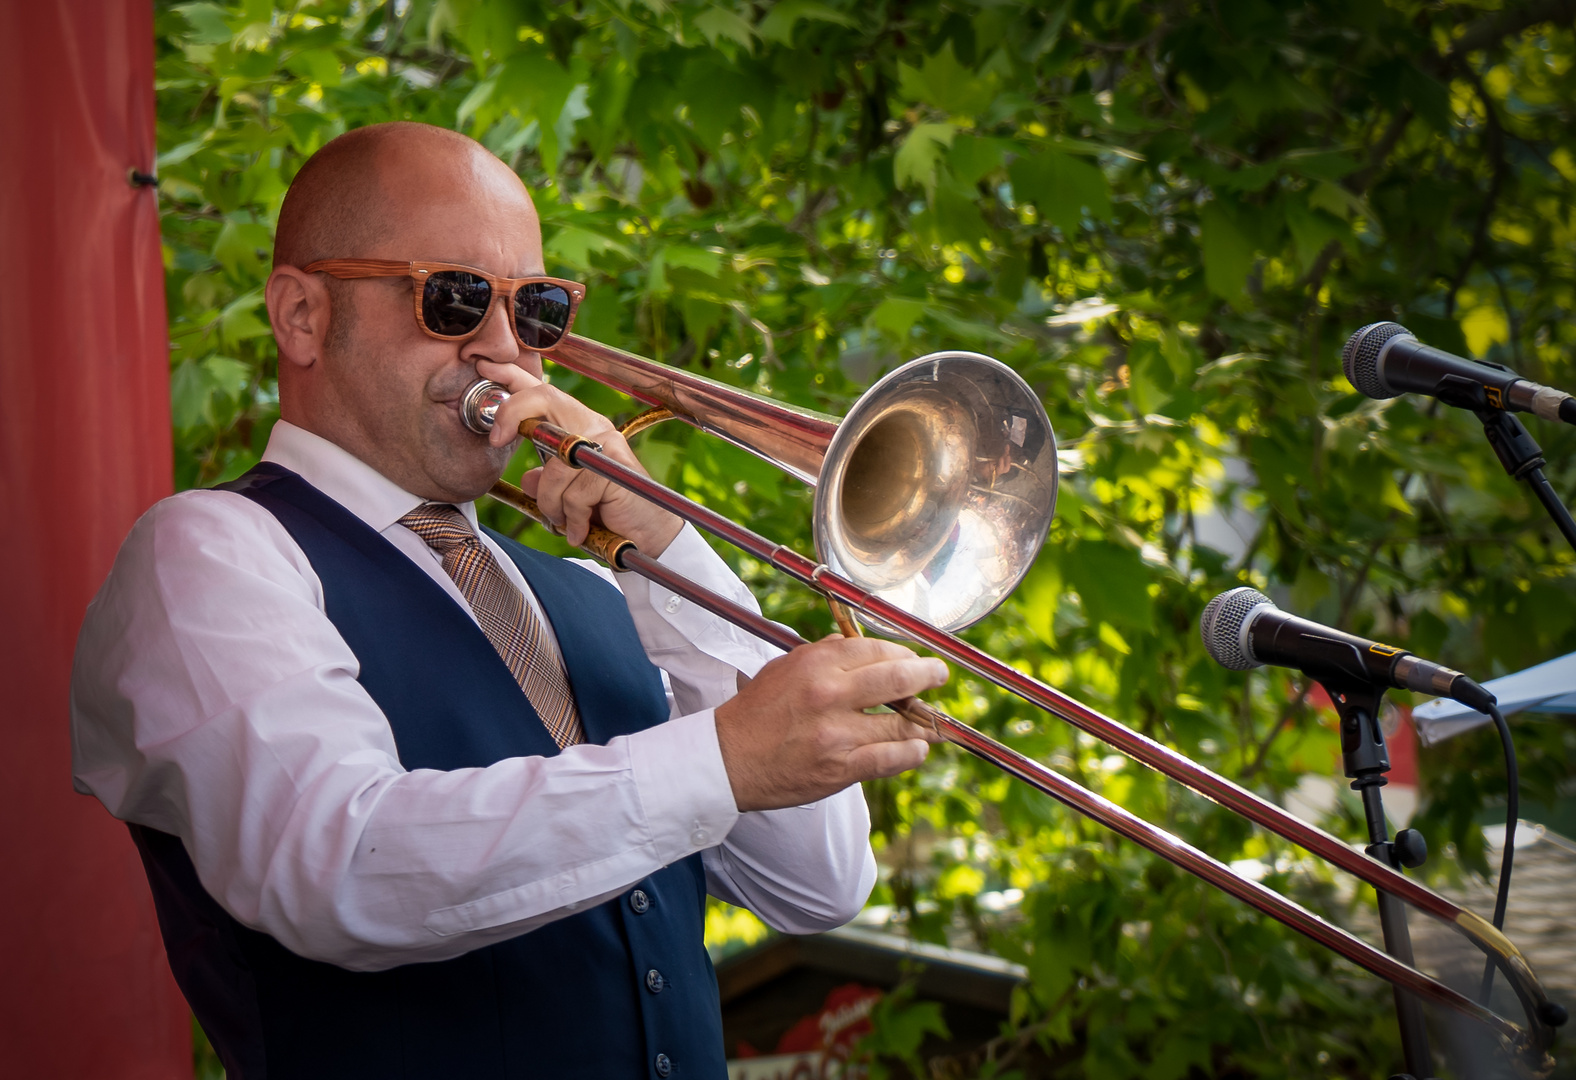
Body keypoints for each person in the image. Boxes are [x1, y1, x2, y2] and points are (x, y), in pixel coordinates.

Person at [70, 122, 945, 1079]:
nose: (503, 351)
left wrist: (670, 549)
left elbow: (817, 885)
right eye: (451, 299)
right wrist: (722, 757)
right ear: (302, 316)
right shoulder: (211, 551)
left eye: (533, 311)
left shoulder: (586, 587)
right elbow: (336, 868)